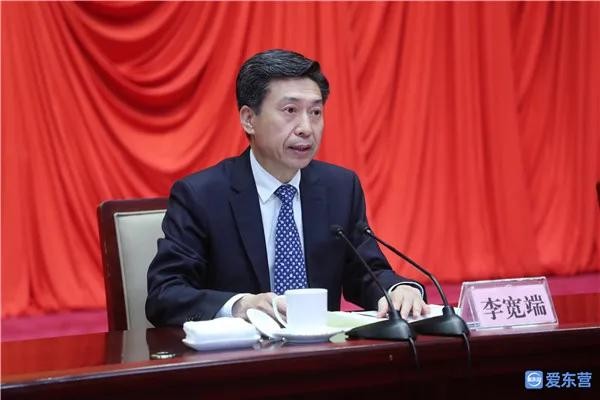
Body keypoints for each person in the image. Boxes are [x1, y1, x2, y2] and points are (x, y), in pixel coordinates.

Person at [146, 49, 428, 327]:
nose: (306, 128)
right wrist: (239, 305)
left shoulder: (340, 188)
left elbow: (365, 273)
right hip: (238, 352)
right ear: (249, 119)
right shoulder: (202, 195)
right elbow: (165, 294)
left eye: (315, 112)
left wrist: (397, 289)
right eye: (290, 111)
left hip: (320, 350)